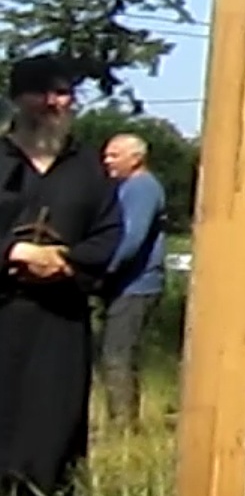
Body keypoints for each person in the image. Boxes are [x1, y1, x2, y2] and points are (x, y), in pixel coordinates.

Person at [0, 56, 123, 496]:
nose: (55, 103)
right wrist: (15, 253)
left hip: (60, 320)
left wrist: (65, 262)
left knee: (53, 425)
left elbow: (109, 234)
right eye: (43, 93)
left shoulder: (87, 168)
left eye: (64, 93)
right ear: (18, 98)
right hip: (3, 309)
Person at [97, 133, 168, 428]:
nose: (106, 161)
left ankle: (123, 427)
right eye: (106, 155)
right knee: (116, 353)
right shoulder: (129, 187)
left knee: (117, 355)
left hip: (136, 284)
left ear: (136, 158)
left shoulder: (141, 188)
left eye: (114, 155)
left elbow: (131, 238)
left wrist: (101, 270)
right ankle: (121, 422)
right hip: (126, 284)